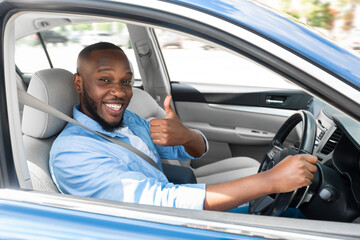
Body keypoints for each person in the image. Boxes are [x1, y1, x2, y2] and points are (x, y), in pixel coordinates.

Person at [49, 42, 317, 212]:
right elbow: (163, 204)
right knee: (298, 216)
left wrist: (186, 135)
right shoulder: (72, 152)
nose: (119, 92)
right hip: (164, 224)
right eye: (105, 80)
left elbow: (194, 151)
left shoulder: (128, 120)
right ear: (78, 83)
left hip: (173, 206)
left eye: (127, 82)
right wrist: (270, 181)